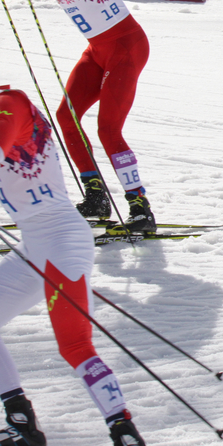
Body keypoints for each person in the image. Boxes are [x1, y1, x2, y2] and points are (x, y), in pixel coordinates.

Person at [0, 87, 145, 446]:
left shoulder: (9, 103)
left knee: (75, 345)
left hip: (63, 244)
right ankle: (20, 423)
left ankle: (123, 430)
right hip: (34, 247)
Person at [0, 0, 155, 234]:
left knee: (108, 130)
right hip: (98, 50)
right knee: (66, 116)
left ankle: (139, 206)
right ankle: (96, 194)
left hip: (126, 47)